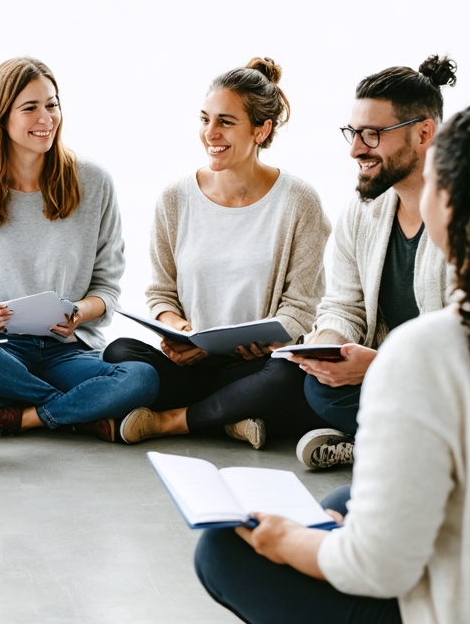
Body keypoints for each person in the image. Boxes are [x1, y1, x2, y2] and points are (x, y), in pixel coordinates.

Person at [194, 102, 470, 624]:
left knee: (224, 548)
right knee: (343, 499)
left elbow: (379, 566)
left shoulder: (428, 351)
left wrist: (288, 543)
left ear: (448, 208)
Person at [0, 57, 158, 440]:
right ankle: (77, 411)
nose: (46, 117)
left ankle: (23, 417)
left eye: (52, 104)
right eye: (30, 108)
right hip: (4, 353)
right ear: (1, 117)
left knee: (142, 377)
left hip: (70, 351)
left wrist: (79, 313)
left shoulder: (93, 182)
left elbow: (107, 289)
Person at [103, 58, 331, 448]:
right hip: (191, 364)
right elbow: (161, 293)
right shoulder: (175, 198)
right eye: (205, 119)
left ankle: (174, 422)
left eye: (225, 122)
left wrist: (267, 340)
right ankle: (231, 417)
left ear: (262, 130)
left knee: (291, 377)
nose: (210, 133)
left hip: (254, 367)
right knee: (118, 350)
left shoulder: (299, 202)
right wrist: (181, 332)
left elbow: (301, 306)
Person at [290, 56, 457, 469]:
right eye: (353, 132)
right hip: (392, 384)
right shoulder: (363, 211)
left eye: (372, 134)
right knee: (317, 388)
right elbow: (342, 305)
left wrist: (382, 365)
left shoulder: (465, 215)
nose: (355, 149)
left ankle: (380, 446)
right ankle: (396, 444)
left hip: (447, 388)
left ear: (424, 133)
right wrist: (327, 348)